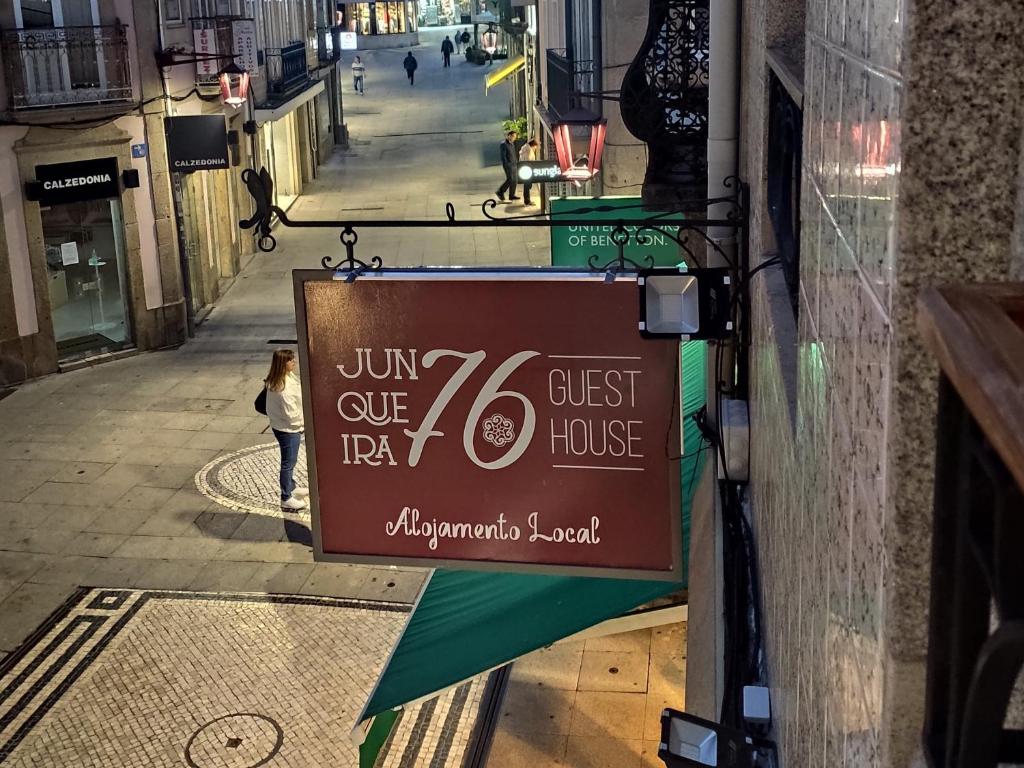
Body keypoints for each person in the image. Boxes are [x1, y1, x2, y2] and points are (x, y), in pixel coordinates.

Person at [264, 349, 307, 511]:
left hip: (282, 426)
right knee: (288, 462)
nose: (294, 362)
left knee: (290, 461)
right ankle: (286, 496)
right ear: (283, 364)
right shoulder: (283, 388)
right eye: (291, 360)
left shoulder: (281, 379)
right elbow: (291, 415)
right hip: (288, 430)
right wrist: (304, 425)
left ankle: (292, 486)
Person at [496, 131, 520, 202]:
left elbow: (513, 154)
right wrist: (507, 164)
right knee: (510, 179)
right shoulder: (504, 144)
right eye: (513, 136)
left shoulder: (512, 144)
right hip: (508, 165)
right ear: (509, 136)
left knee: (515, 180)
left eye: (515, 137)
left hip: (514, 164)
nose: (514, 138)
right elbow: (503, 156)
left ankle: (511, 195)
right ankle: (500, 191)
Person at [518, 137, 538, 206]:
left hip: (524, 170)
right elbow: (529, 161)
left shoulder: (524, 148)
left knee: (527, 186)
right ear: (533, 145)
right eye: (535, 146)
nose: (536, 148)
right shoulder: (529, 150)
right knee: (527, 186)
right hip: (527, 170)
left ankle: (527, 201)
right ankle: (527, 201)